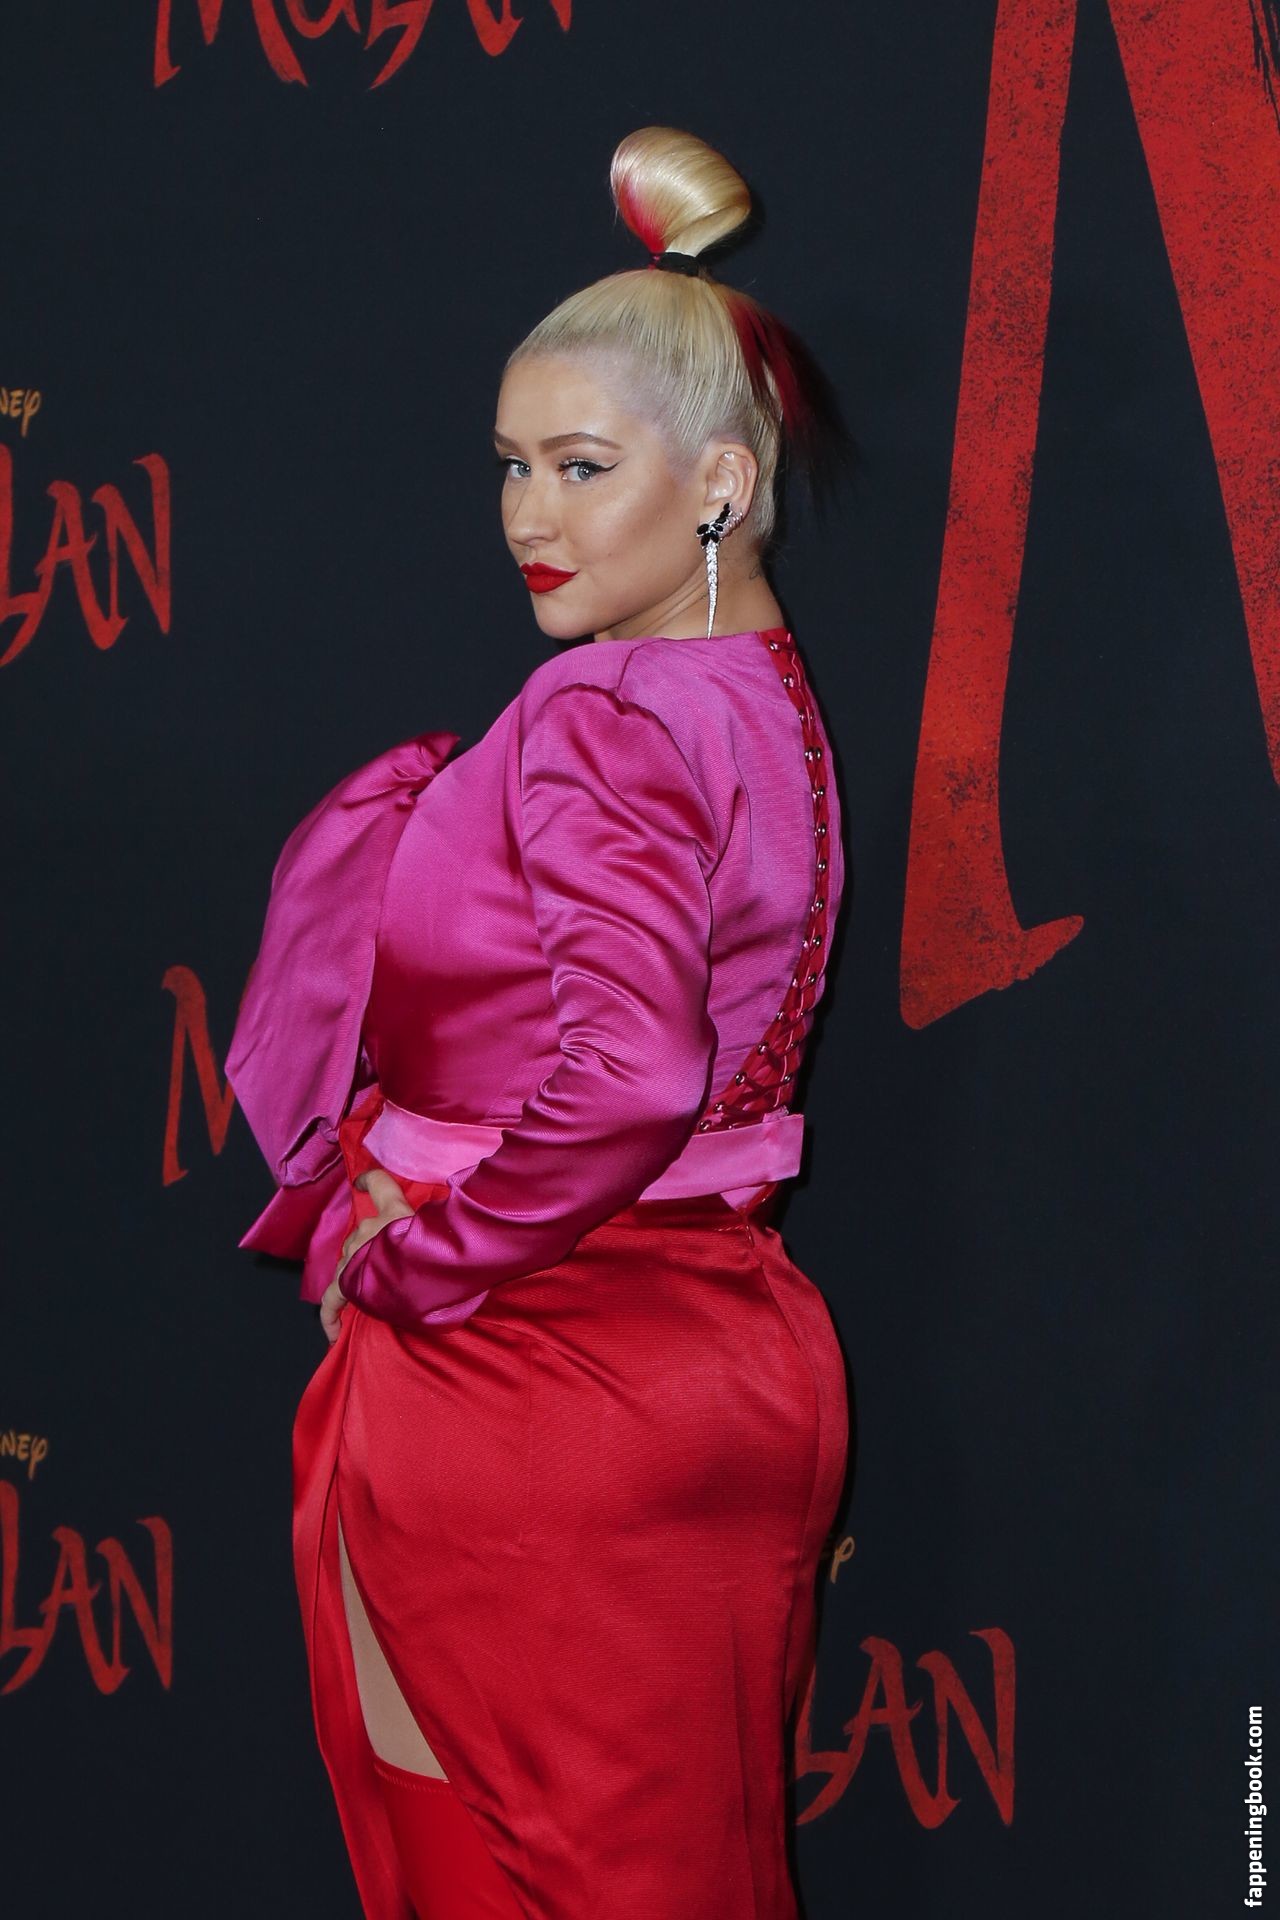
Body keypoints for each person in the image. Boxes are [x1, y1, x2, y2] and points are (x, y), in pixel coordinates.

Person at [226, 124, 853, 1920]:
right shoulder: (771, 699)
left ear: (720, 483)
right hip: (728, 1364)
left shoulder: (599, 713)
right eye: (512, 466)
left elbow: (633, 1071)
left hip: (528, 1379)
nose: (528, 519)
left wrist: (418, 1262)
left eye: (582, 468)